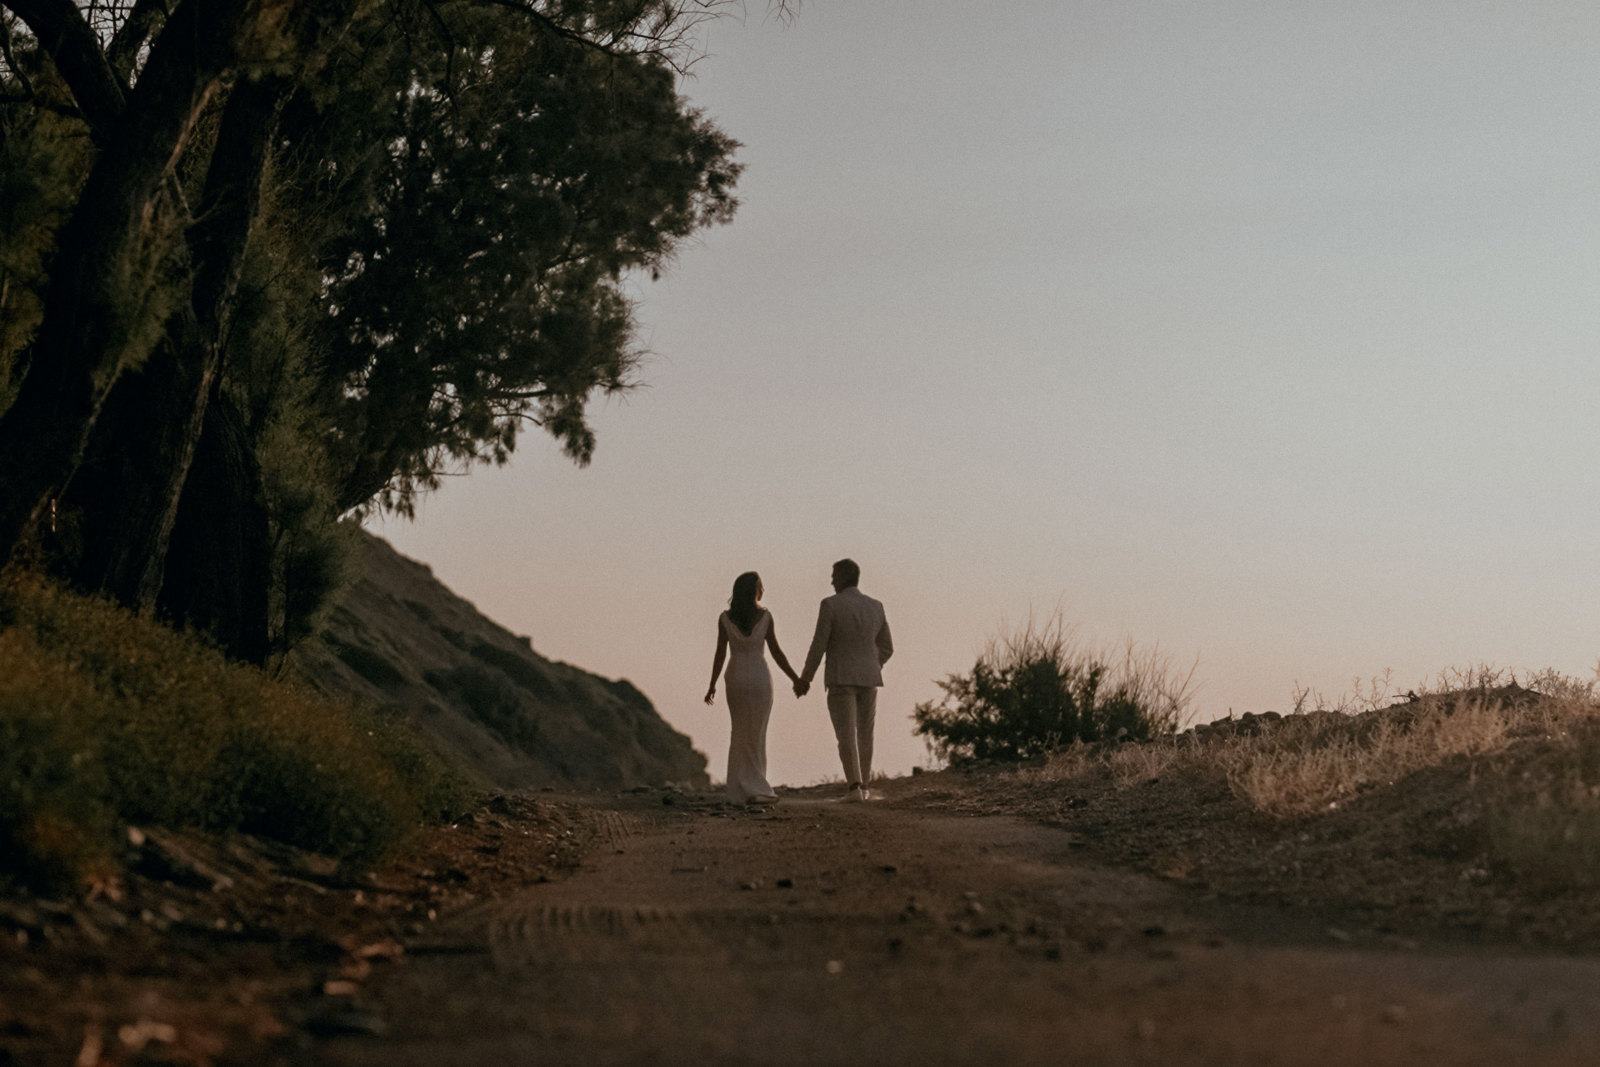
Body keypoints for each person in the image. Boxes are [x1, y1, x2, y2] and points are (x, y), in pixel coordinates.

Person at [794, 558, 893, 802]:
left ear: (843, 577)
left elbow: (818, 645)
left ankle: (854, 787)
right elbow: (887, 647)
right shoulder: (876, 606)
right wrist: (872, 663)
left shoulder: (830, 605)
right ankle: (866, 785)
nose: (831, 580)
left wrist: (805, 678)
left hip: (841, 677)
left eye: (834, 575)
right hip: (870, 677)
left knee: (846, 734)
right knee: (865, 733)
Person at [705, 571, 801, 805]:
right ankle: (757, 788)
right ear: (755, 590)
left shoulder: (726, 618)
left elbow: (720, 654)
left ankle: (738, 790)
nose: (763, 590)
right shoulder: (765, 617)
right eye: (761, 586)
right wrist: (795, 678)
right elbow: (776, 652)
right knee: (757, 733)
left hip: (735, 676)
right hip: (759, 677)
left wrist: (712, 684)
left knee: (739, 732)